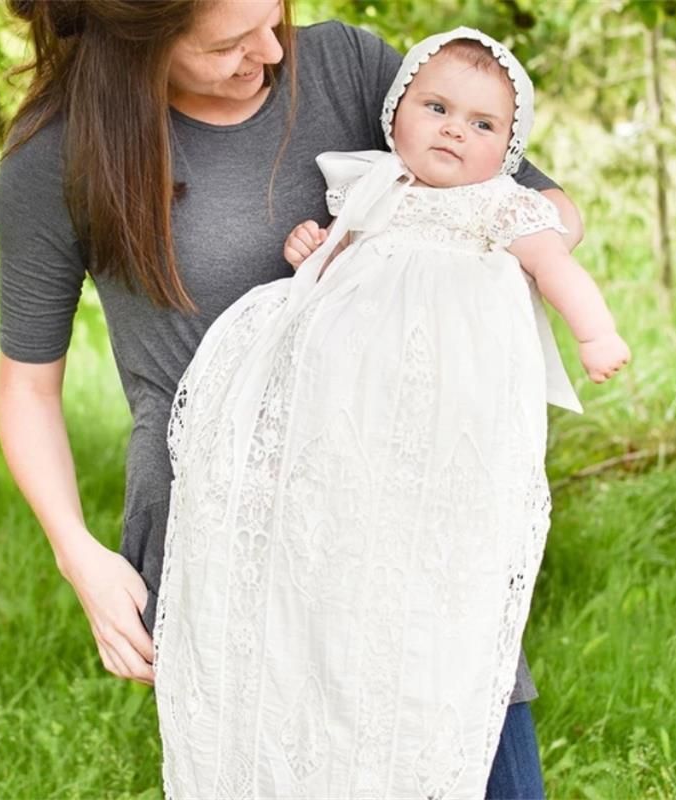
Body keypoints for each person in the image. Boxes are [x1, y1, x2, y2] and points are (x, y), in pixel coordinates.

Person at [0, 2, 584, 797]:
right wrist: (80, 557)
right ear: (138, 37)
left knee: (469, 756)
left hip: (403, 514)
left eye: (274, 18)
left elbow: (538, 209)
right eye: (229, 44)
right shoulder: (59, 154)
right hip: (226, 526)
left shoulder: (349, 65)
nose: (271, 53)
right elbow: (29, 387)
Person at [154, 26, 630, 800]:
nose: (455, 130)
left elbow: (556, 265)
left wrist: (596, 333)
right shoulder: (372, 187)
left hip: (435, 410)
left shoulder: (499, 208)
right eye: (437, 107)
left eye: (484, 125)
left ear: (509, 149)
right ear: (396, 112)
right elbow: (335, 260)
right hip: (343, 411)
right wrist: (315, 245)